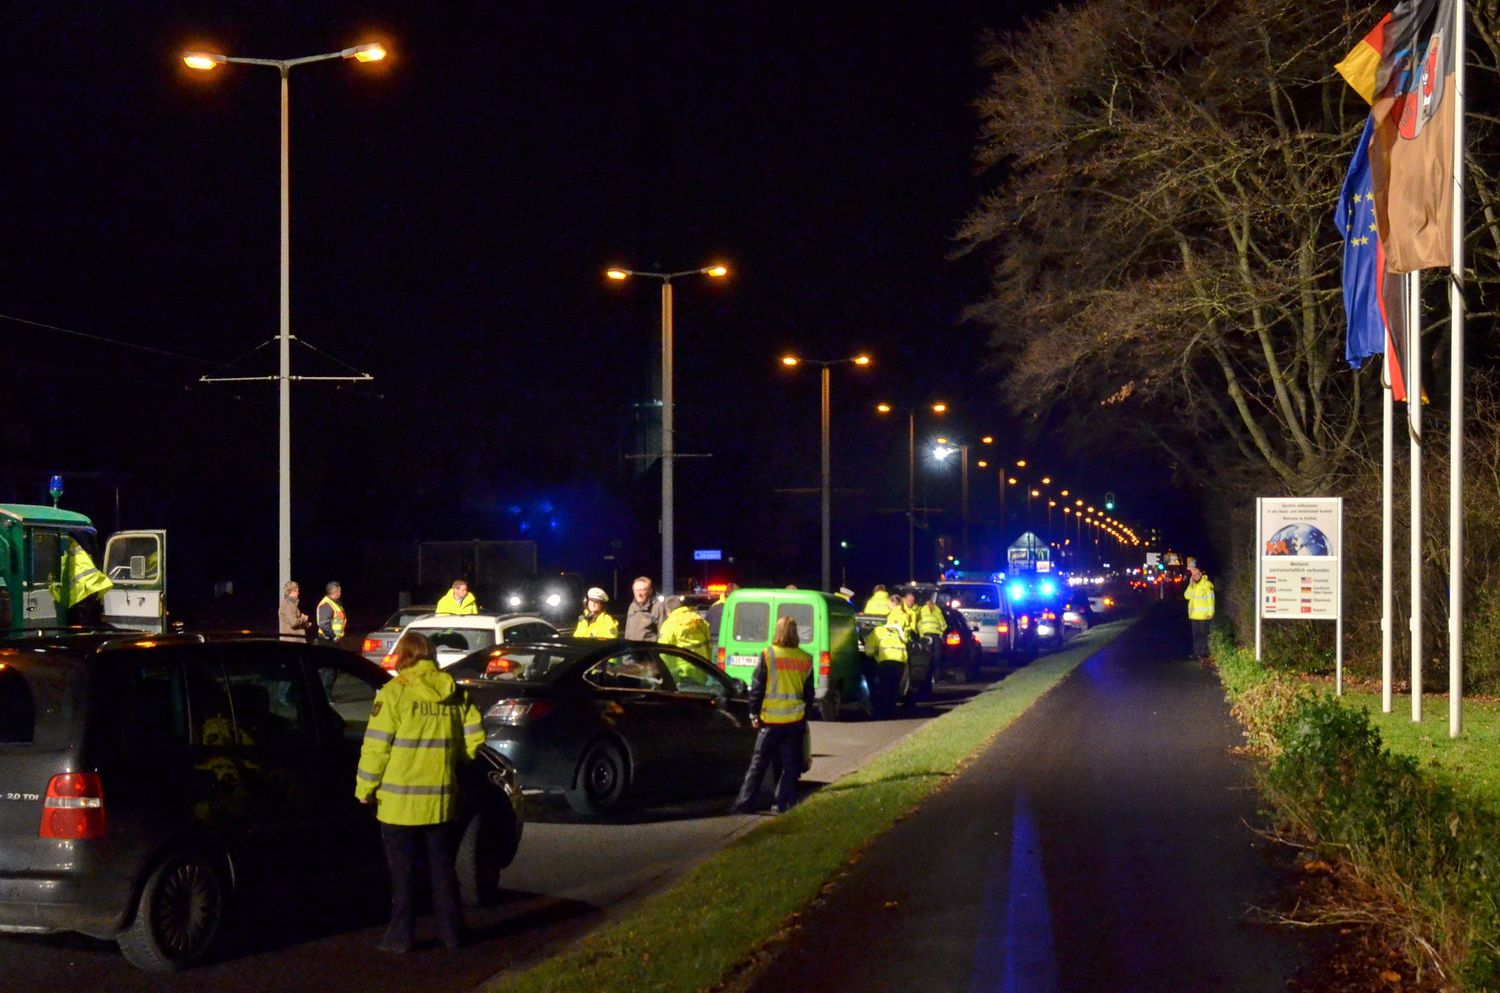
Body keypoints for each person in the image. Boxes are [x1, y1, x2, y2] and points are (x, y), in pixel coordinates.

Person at [355, 632, 485, 954]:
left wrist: (365, 788)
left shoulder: (394, 693)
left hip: (399, 805)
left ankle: (400, 937)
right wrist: (455, 761)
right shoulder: (454, 692)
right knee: (442, 870)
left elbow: (376, 748)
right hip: (440, 799)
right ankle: (453, 935)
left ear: (404, 656)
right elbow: (475, 738)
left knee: (404, 875)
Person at [729, 616, 814, 815]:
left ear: (777, 632)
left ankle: (745, 803)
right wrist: (803, 716)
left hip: (771, 721)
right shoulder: (805, 658)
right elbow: (808, 694)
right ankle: (784, 803)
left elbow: (757, 687)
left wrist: (753, 713)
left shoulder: (769, 655)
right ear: (795, 633)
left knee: (758, 764)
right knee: (790, 766)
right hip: (794, 721)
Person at [658, 595, 712, 659]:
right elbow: (709, 645)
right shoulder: (698, 619)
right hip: (701, 664)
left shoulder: (669, 625)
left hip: (681, 668)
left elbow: (663, 652)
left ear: (668, 611)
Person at [1184, 566, 1216, 660]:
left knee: (1204, 634)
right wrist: (1190, 586)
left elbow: (1211, 600)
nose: (1194, 577)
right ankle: (1196, 652)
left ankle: (1204, 652)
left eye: (1196, 575)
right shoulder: (1193, 586)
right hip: (1194, 615)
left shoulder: (1207, 585)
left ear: (1200, 574)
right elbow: (1186, 596)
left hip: (1204, 615)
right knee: (1196, 635)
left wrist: (1211, 613)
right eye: (1193, 575)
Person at [623, 576, 668, 641]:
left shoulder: (657, 607)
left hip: (647, 649)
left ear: (650, 591)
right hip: (631, 649)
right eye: (636, 590)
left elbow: (663, 634)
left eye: (642, 590)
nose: (639, 593)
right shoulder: (632, 606)